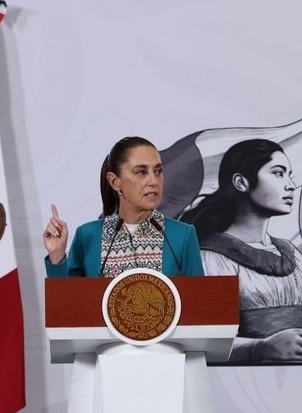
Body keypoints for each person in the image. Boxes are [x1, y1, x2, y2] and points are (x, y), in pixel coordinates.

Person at [179, 139, 302, 362]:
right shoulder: (209, 258)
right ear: (241, 182)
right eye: (278, 173)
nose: (291, 185)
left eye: (289, 174)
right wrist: (261, 348)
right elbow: (201, 343)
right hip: (239, 378)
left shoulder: (293, 254)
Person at [43, 135, 204, 277]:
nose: (154, 181)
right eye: (141, 172)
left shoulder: (183, 236)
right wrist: (56, 256)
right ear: (115, 181)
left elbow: (201, 299)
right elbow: (66, 298)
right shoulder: (87, 236)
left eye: (158, 171)